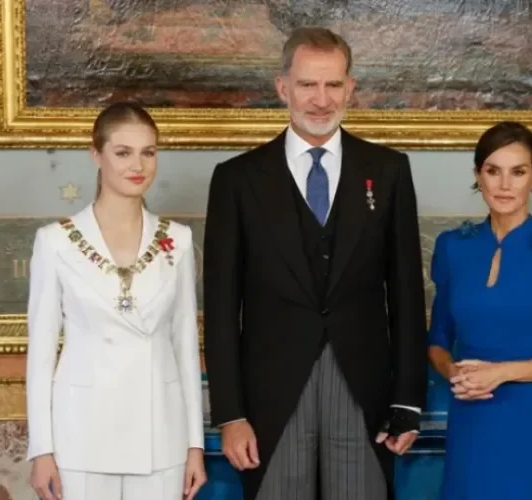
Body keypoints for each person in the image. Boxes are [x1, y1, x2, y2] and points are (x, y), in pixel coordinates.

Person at [202, 27, 428, 500]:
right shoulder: (237, 180)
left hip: (364, 393)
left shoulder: (388, 171)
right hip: (272, 399)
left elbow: (406, 295)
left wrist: (408, 399)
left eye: (332, 85)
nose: (321, 99)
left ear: (350, 89)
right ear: (283, 88)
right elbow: (222, 309)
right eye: (308, 85)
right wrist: (231, 414)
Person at [25, 102, 207, 500]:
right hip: (81, 435)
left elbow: (185, 348)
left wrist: (194, 444)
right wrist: (42, 449)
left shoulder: (177, 238)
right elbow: (40, 355)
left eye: (149, 152)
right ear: (96, 155)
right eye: (123, 152)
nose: (137, 165)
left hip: (161, 434)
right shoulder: (54, 241)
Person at [427, 121, 532, 499]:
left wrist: (502, 373)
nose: (505, 185)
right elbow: (437, 340)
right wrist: (452, 370)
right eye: (493, 171)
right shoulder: (453, 247)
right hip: (470, 423)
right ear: (478, 175)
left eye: (518, 172)